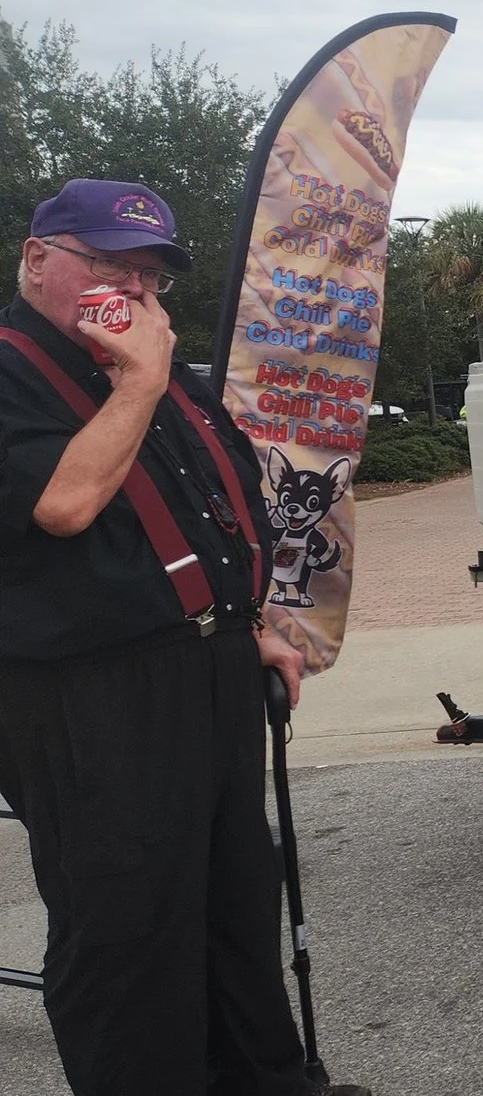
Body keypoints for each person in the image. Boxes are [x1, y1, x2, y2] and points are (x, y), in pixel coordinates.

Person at [0, 179, 367, 1096]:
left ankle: (269, 1083)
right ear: (37, 259)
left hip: (206, 665)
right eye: (107, 264)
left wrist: (245, 629)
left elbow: (205, 507)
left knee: (239, 895)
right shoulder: (33, 371)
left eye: (150, 274)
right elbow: (65, 503)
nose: (133, 290)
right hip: (86, 692)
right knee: (127, 925)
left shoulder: (150, 370)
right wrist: (142, 381)